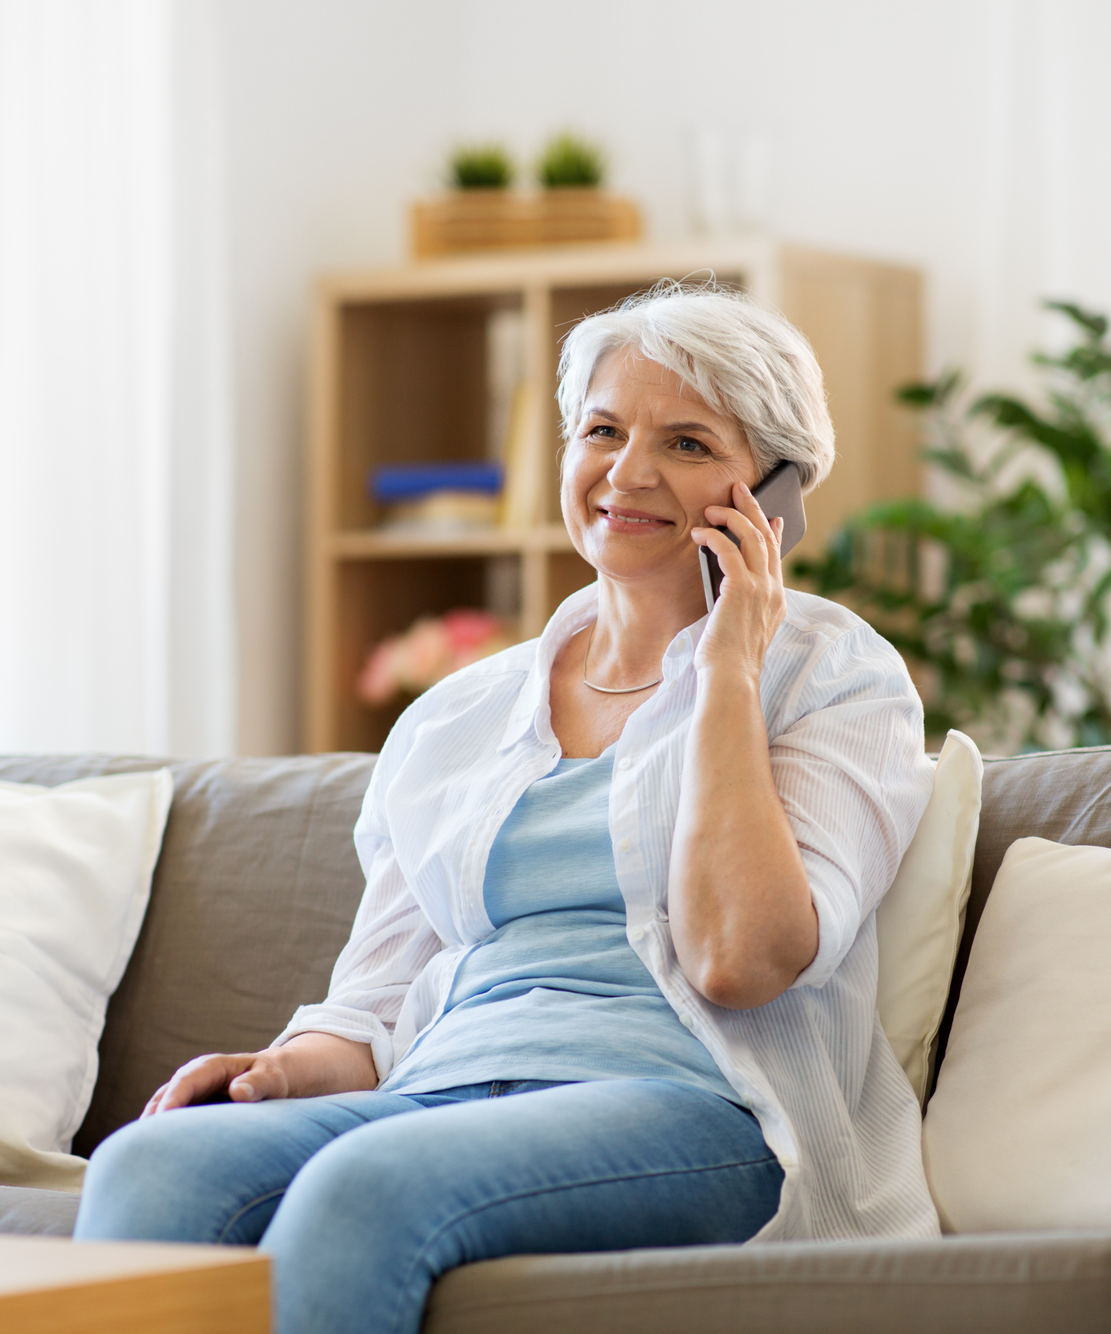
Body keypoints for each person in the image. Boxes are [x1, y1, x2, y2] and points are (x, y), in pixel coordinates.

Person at [73, 282, 943, 1332]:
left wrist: (724, 671)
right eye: (603, 430)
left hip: (702, 1106)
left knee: (368, 1186)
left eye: (685, 443)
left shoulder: (833, 675)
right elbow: (377, 999)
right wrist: (280, 1069)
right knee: (150, 1166)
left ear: (773, 488)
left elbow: (740, 957)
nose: (627, 472)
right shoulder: (460, 715)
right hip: (439, 1091)